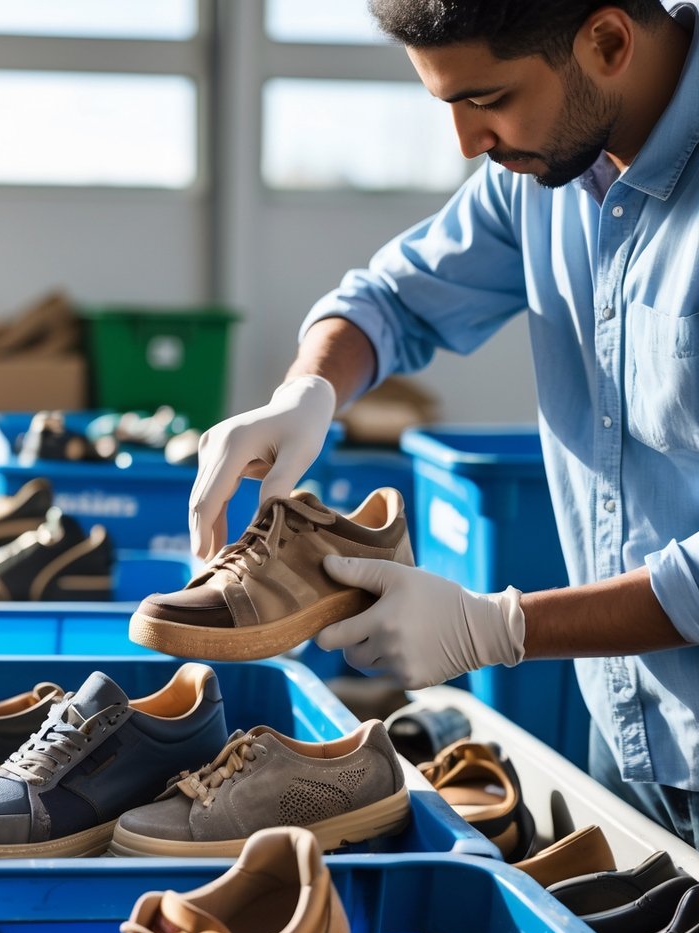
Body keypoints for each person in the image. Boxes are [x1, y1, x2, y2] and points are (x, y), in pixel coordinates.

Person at [189, 0, 699, 847]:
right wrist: (307, 391)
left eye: (487, 100)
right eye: (450, 104)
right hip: (627, 733)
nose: (468, 143)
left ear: (608, 41)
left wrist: (502, 627)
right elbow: (390, 300)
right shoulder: (550, 171)